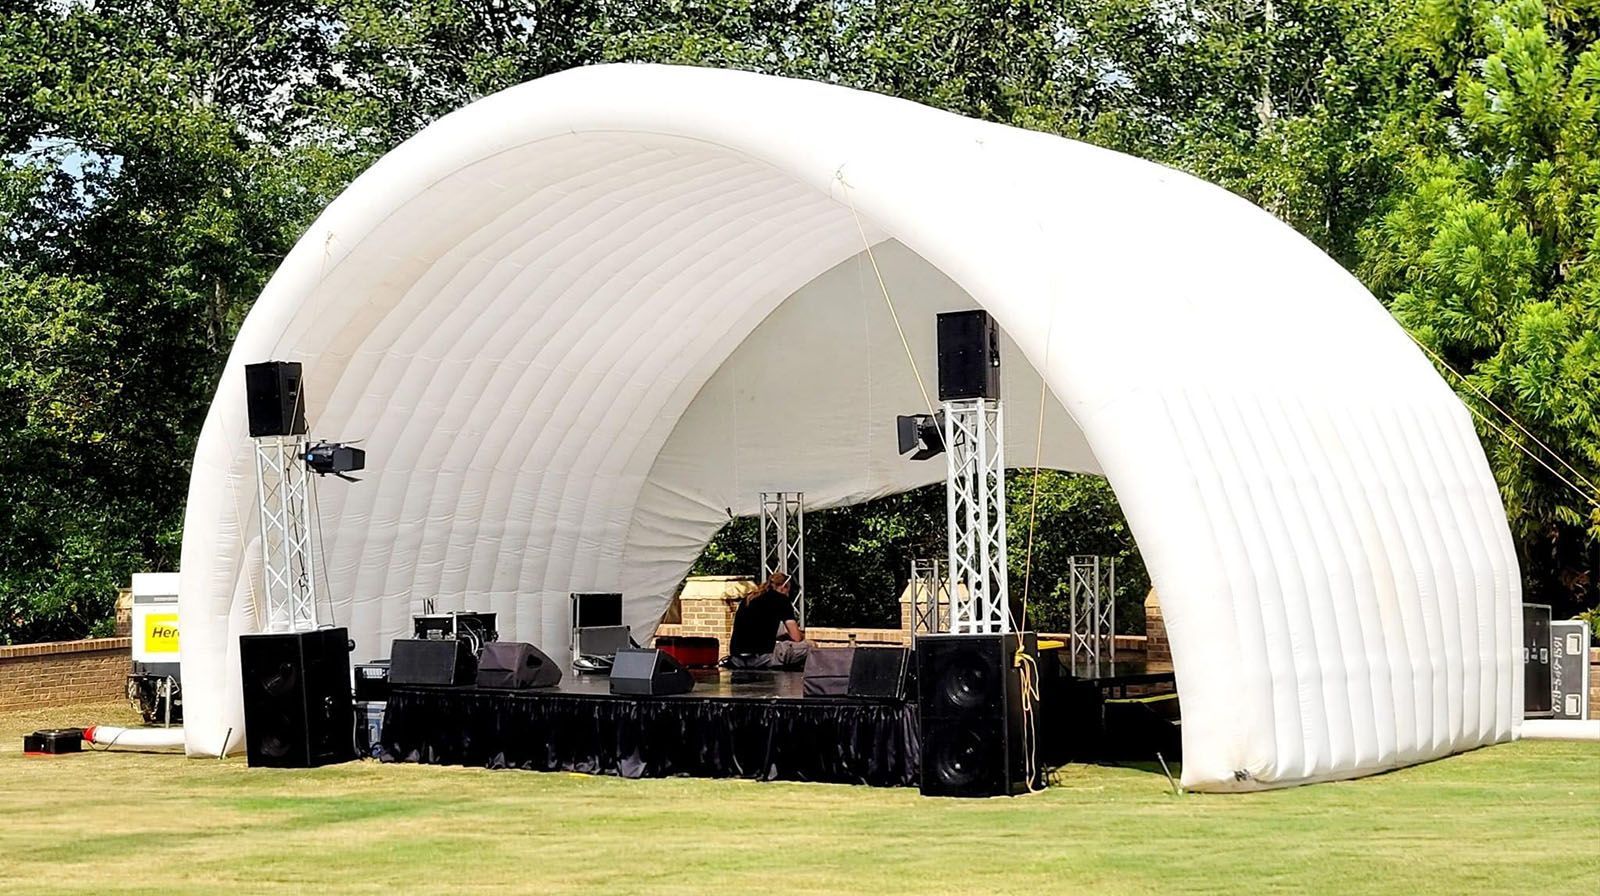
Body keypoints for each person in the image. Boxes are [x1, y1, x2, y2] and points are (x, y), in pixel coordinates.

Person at [726, 572, 812, 669]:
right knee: (810, 647)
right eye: (788, 590)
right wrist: (802, 635)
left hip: (737, 658)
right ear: (784, 587)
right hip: (762, 657)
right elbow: (796, 637)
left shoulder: (749, 598)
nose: (788, 593)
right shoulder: (782, 600)